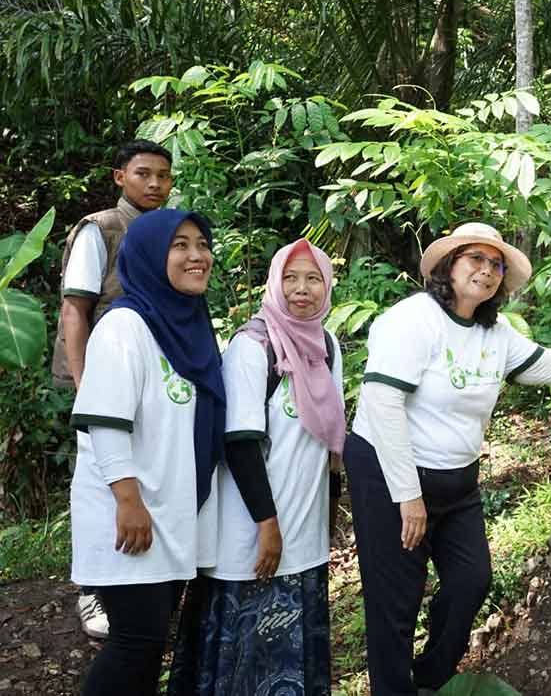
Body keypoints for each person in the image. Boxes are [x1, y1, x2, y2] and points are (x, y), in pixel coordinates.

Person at [344, 222, 551, 695]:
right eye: (475, 258)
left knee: (471, 580)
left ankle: (430, 680)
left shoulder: (494, 334)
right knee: (396, 599)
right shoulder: (412, 319)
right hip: (390, 474)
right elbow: (382, 401)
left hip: (456, 481)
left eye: (496, 264)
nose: (487, 270)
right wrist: (407, 494)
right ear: (448, 265)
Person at [168, 239, 344, 695]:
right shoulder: (253, 347)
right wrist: (268, 525)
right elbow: (240, 444)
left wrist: (332, 509)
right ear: (273, 282)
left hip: (304, 534)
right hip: (254, 535)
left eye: (312, 278)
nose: (301, 289)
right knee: (244, 659)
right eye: (290, 277)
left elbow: (329, 442)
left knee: (292, 657)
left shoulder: (326, 345)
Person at [69, 209, 225, 696]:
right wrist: (128, 500)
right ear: (149, 255)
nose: (197, 255)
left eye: (202, 244)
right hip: (131, 511)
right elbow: (105, 421)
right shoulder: (125, 326)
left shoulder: (192, 324)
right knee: (135, 641)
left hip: (171, 512)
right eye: (180, 245)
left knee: (150, 642)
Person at [52, 138, 174, 639]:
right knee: (101, 484)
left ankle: (140, 581)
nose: (154, 184)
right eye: (144, 173)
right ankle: (91, 591)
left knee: (142, 476)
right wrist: (86, 389)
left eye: (163, 175)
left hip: (152, 381)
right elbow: (76, 308)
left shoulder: (170, 231)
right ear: (119, 176)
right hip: (105, 379)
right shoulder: (101, 228)